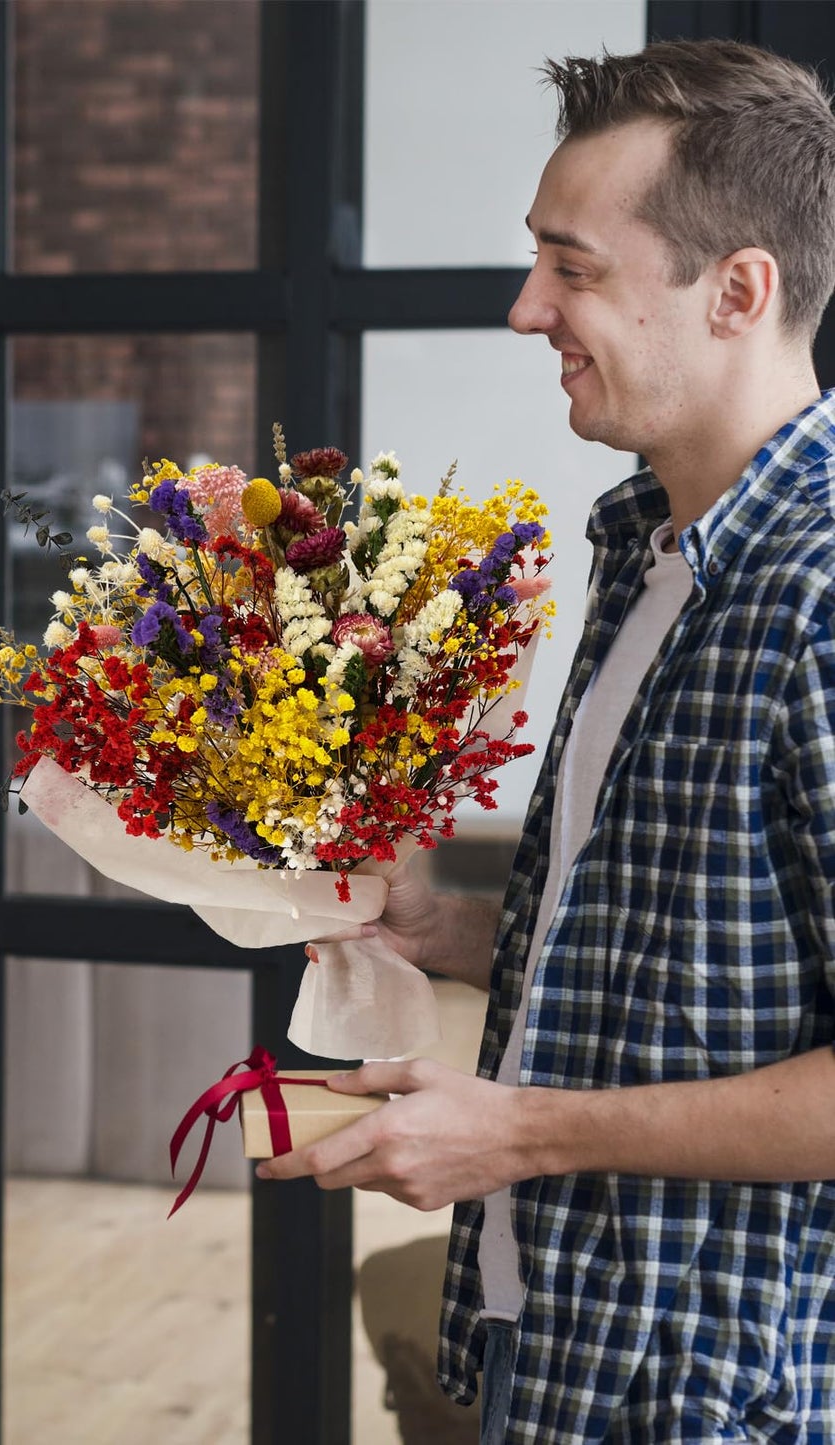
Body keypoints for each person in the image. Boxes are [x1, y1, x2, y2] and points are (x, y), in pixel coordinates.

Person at [258, 39, 835, 1443]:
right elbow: (687, 944)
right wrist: (449, 931)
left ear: (738, 291)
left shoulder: (821, 595)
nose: (528, 310)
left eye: (572, 268)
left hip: (720, 1390)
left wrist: (518, 1129)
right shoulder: (641, 548)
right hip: (555, 1333)